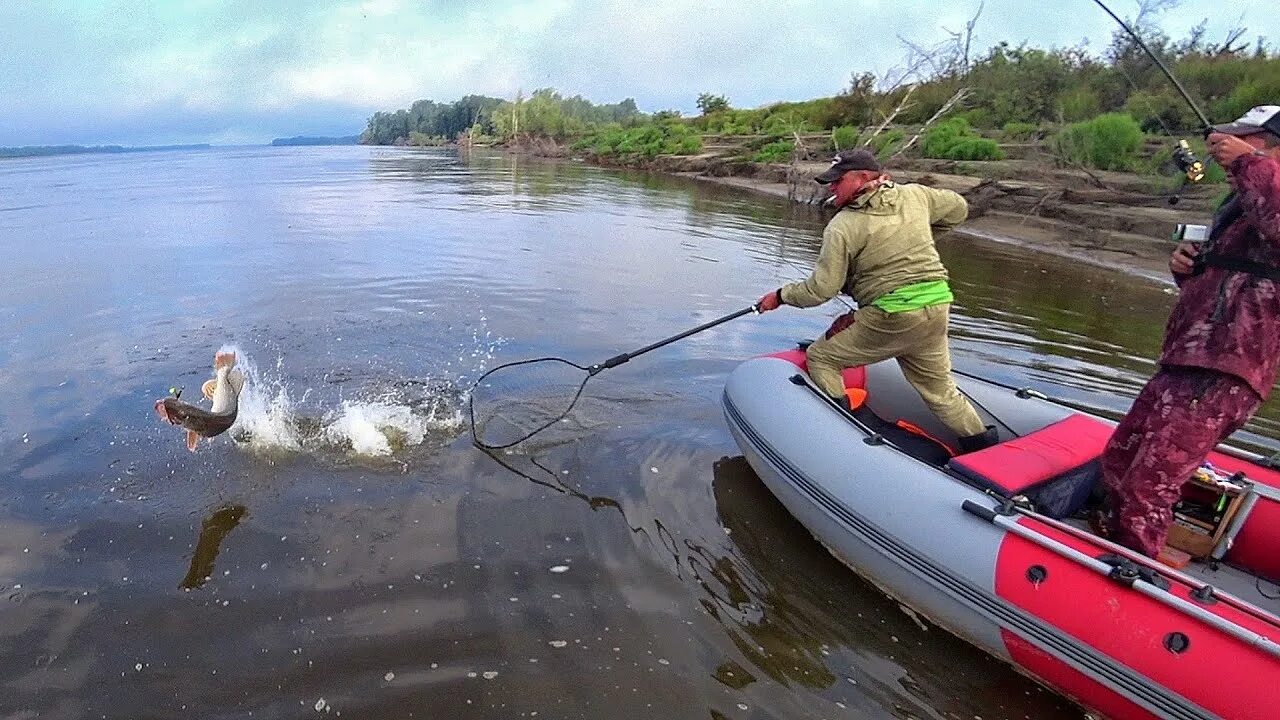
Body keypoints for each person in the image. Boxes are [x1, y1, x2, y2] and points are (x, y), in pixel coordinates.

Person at [1096, 105, 1280, 558]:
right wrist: (1187, 269)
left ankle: (1137, 572)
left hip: (1227, 369)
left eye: (1247, 137)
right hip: (1188, 357)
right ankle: (1101, 546)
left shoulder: (1266, 195)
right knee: (1121, 458)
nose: (1229, 144)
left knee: (1149, 482)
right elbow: (1231, 284)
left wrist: (1245, 162)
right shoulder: (1239, 206)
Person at [755, 149, 995, 452]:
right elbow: (959, 208)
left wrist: (780, 296)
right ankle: (983, 450)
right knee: (941, 391)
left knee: (821, 357)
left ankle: (843, 431)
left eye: (837, 181)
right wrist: (921, 237)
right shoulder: (916, 196)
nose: (831, 187)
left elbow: (820, 290)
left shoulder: (842, 226)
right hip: (937, 308)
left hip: (893, 314)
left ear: (863, 178)